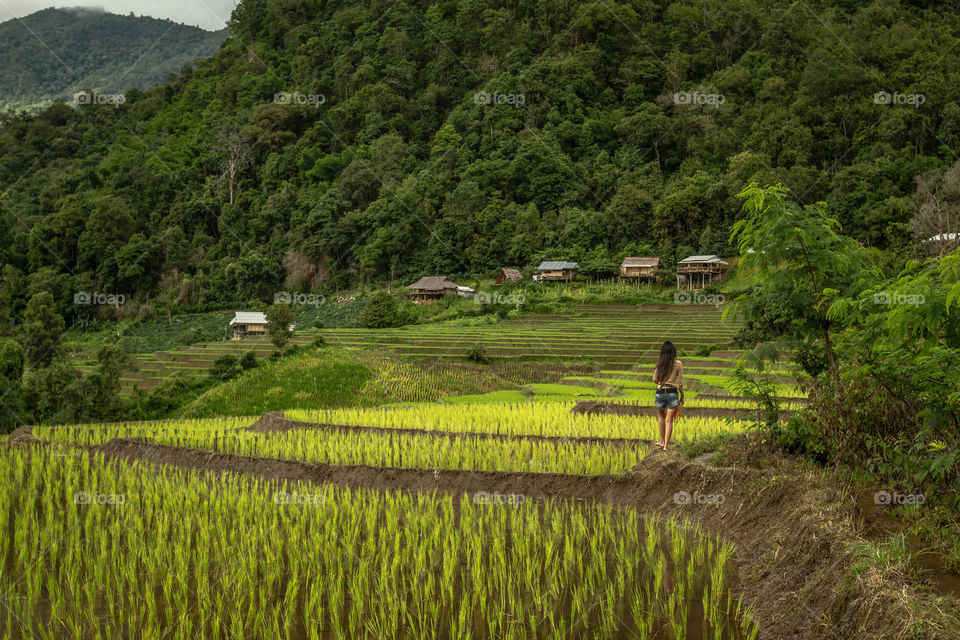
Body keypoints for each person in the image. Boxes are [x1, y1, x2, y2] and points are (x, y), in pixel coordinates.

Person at [652, 341, 683, 451]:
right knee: (669, 420)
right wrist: (682, 396)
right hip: (672, 392)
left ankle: (662, 441)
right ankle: (666, 446)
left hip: (660, 392)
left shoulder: (659, 363)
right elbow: (680, 384)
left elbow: (654, 379)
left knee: (661, 417)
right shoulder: (678, 364)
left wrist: (660, 383)